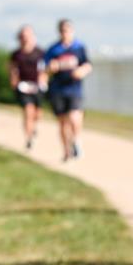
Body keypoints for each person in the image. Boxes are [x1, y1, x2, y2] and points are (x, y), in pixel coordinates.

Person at [44, 19, 92, 161]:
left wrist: (81, 71)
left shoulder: (79, 47)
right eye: (63, 30)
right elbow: (44, 70)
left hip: (74, 88)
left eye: (68, 30)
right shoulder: (53, 49)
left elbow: (88, 65)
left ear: (72, 31)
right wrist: (50, 69)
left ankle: (76, 141)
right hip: (57, 89)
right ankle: (66, 151)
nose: (65, 33)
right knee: (63, 122)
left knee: (75, 117)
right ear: (59, 32)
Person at [9, 25, 47, 150]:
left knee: (37, 114)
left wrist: (44, 79)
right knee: (27, 112)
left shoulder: (40, 52)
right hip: (23, 87)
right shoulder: (16, 54)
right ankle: (29, 138)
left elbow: (45, 69)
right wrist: (14, 80)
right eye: (23, 36)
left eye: (28, 36)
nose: (25, 39)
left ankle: (33, 127)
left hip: (37, 87)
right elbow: (13, 69)